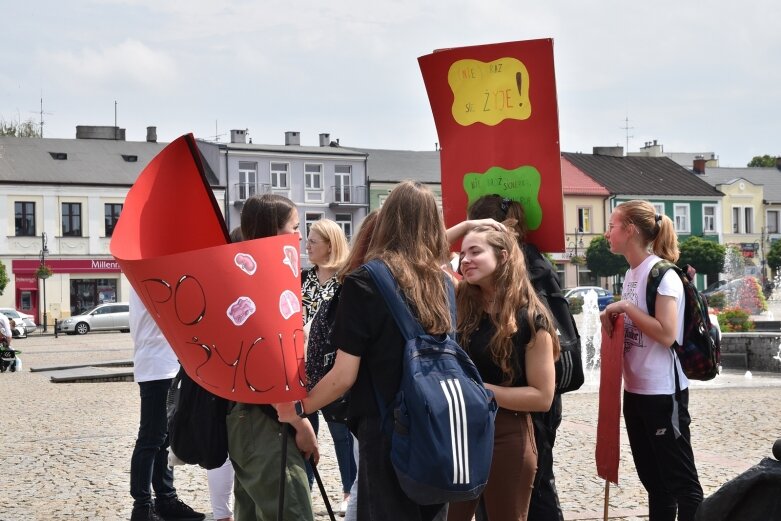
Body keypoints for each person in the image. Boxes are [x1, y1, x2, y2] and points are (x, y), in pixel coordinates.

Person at [276, 180, 450, 521]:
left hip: (385, 428)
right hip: (435, 424)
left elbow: (343, 376)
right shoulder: (443, 282)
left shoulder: (365, 281)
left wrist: (300, 407)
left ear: (387, 221)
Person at [447, 195, 571, 521]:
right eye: (462, 253)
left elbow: (542, 396)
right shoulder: (460, 301)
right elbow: (422, 256)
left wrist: (482, 391)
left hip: (508, 434)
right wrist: (469, 226)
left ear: (502, 256)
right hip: (459, 431)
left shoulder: (532, 319)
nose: (465, 260)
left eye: (475, 251)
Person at [601, 200, 703, 521]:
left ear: (630, 230)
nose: (607, 233)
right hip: (636, 393)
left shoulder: (662, 274)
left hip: (663, 393)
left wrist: (625, 309)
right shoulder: (632, 273)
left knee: (683, 485)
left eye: (612, 226)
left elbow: (667, 333)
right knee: (655, 485)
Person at [229, 193, 317, 521]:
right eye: (294, 227)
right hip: (266, 422)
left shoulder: (242, 274)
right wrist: (300, 422)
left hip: (247, 422)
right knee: (290, 510)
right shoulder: (262, 282)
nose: (299, 236)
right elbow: (266, 367)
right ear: (272, 232)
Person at [129, 288, 205, 521]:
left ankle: (165, 499)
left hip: (166, 364)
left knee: (164, 438)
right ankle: (142, 507)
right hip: (156, 367)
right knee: (151, 438)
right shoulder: (145, 277)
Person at [301, 218, 355, 514]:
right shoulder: (302, 279)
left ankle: (349, 489)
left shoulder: (347, 281)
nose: (306, 245)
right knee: (307, 431)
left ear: (330, 245)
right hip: (302, 368)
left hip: (334, 368)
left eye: (312, 241)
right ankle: (305, 489)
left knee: (341, 434)